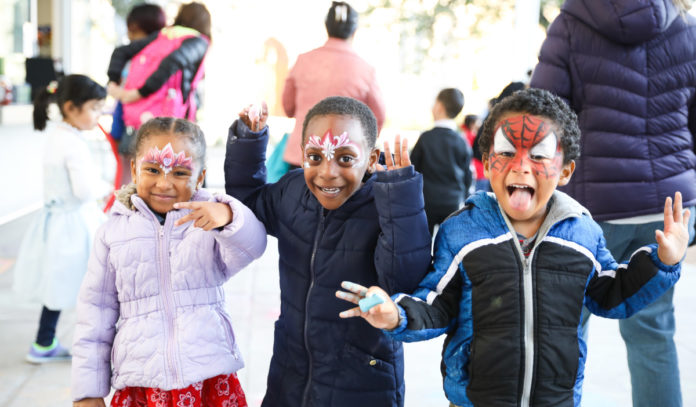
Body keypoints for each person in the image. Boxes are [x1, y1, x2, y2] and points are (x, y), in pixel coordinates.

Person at [336, 88, 691, 407]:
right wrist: (396, 314)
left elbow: (613, 293)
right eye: (507, 152)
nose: (521, 167)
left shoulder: (582, 232)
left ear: (565, 170)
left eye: (539, 156)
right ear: (488, 162)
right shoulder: (464, 230)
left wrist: (662, 261)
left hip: (556, 400)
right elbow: (438, 303)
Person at [529, 1, 696, 405]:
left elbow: (541, 119)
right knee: (653, 333)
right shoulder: (686, 28)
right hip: (667, 206)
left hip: (589, 208)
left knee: (564, 330)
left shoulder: (570, 25)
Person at [224, 96, 431, 406]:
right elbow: (249, 204)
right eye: (315, 156)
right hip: (290, 370)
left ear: (372, 159)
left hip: (361, 379)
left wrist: (401, 197)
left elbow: (403, 281)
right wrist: (249, 142)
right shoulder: (293, 192)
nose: (327, 172)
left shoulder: (385, 205)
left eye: (345, 158)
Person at [71, 117, 267, 407]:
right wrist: (88, 391)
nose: (164, 183)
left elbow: (253, 246)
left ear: (200, 177)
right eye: (152, 169)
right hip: (142, 384)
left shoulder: (209, 223)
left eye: (179, 172)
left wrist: (227, 215)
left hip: (207, 378)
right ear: (135, 169)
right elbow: (94, 315)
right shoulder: (111, 233)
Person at [12, 74, 107, 363]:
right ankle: (94, 345)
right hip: (74, 224)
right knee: (91, 284)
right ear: (70, 108)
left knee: (58, 284)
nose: (98, 115)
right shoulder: (73, 143)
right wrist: (107, 189)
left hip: (56, 222)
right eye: (94, 108)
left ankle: (44, 342)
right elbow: (84, 190)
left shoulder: (59, 136)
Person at [282, 1, 386, 169]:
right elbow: (378, 117)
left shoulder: (303, 61)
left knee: (296, 195)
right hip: (344, 160)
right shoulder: (365, 70)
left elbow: (287, 108)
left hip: (303, 154)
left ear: (327, 26)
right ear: (354, 31)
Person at [106, 2, 210, 133]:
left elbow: (121, 51)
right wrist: (139, 93)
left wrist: (113, 81)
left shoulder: (164, 34)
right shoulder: (198, 41)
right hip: (171, 119)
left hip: (137, 117)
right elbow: (172, 62)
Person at [411, 88, 472, 235]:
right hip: (452, 202)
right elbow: (467, 175)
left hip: (426, 201)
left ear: (439, 107)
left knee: (423, 241)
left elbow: (413, 169)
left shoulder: (426, 138)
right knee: (449, 244)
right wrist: (463, 197)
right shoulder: (461, 141)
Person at [109, 3, 166, 144]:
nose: (129, 36)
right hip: (134, 123)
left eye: (133, 31)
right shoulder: (137, 56)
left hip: (141, 126)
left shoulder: (150, 57)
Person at [461, 114, 485, 192]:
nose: (480, 123)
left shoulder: (464, 135)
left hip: (476, 171)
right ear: (472, 124)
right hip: (477, 171)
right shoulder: (472, 136)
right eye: (478, 121)